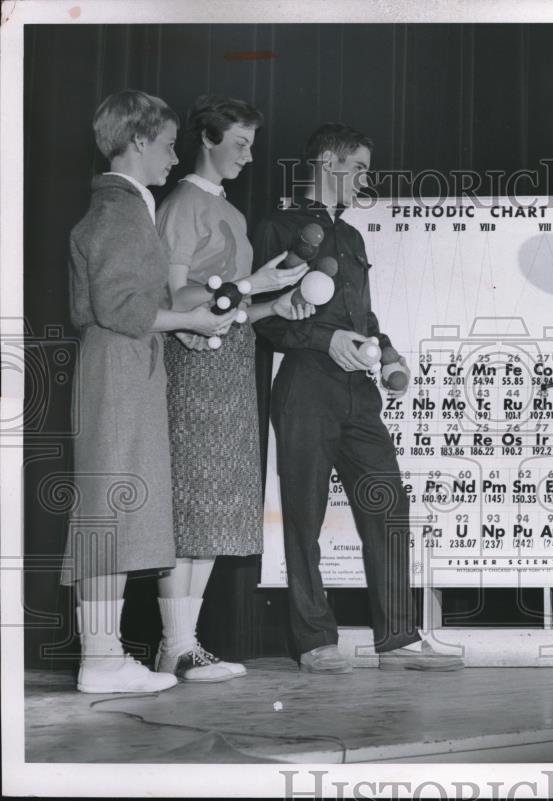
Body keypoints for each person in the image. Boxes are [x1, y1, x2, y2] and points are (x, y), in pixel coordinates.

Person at [252, 123, 464, 672]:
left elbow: (361, 317)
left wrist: (387, 352)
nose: (366, 180)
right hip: (304, 386)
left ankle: (397, 638)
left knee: (388, 504)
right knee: (304, 516)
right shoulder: (276, 227)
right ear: (329, 161)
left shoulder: (352, 237)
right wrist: (326, 339)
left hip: (357, 390)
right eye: (361, 168)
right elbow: (268, 324)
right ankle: (314, 640)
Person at [62, 90, 238, 694]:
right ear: (137, 140)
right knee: (108, 509)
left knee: (116, 508)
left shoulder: (130, 207)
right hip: (118, 363)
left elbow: (137, 303)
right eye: (165, 144)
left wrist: (191, 312)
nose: (172, 156)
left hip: (128, 362)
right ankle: (102, 659)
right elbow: (121, 306)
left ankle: (106, 655)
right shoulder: (119, 211)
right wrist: (189, 321)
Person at [153, 95, 315, 683]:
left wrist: (278, 302)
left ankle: (183, 645)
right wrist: (254, 282)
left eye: (251, 144)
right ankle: (176, 643)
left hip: (229, 364)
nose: (249, 156)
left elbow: (230, 303)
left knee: (214, 511)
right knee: (192, 507)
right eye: (240, 144)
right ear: (209, 141)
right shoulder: (181, 206)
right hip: (192, 366)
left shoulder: (227, 211)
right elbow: (173, 301)